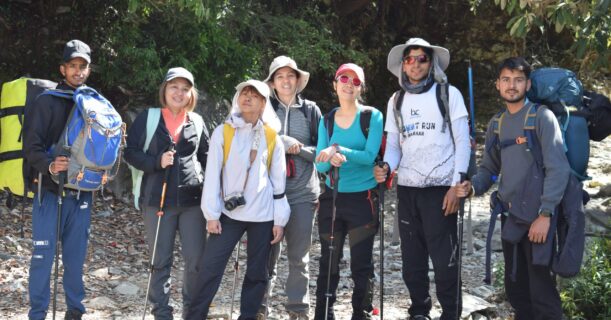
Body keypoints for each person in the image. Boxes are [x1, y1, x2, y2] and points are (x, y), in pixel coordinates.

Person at [456, 57, 570, 320]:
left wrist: (546, 214)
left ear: (528, 84)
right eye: (506, 79)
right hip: (511, 218)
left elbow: (558, 168)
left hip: (539, 219)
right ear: (497, 85)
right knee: (517, 292)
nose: (512, 85)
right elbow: (489, 168)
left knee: (542, 294)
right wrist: (472, 188)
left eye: (518, 80)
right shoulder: (497, 123)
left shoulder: (541, 117)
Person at [373, 38, 471, 320]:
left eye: (421, 59)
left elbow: (462, 143)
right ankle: (419, 310)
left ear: (432, 63)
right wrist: (386, 168)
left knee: (444, 260)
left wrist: (456, 185)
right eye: (409, 59)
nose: (415, 64)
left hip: (441, 189)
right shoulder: (397, 99)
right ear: (403, 65)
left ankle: (450, 313)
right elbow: (393, 146)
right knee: (412, 259)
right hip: (407, 189)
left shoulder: (448, 94)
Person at [189, 79, 290, 319]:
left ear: (263, 102)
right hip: (228, 214)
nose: (247, 97)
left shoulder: (271, 135)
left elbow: (278, 181)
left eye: (254, 95)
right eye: (244, 93)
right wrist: (211, 214)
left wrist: (279, 219)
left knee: (257, 273)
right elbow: (212, 175)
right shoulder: (223, 131)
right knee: (210, 268)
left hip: (263, 215)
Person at [124, 67, 209, 319]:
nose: (179, 93)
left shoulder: (198, 121)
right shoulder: (149, 118)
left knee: (196, 261)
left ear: (191, 93)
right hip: (157, 201)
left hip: (193, 203)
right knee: (160, 260)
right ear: (165, 89)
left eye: (185, 89)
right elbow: (130, 152)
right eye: (174, 87)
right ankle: (162, 312)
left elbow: (206, 158)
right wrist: (155, 162)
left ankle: (192, 312)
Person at [22, 39, 94, 320]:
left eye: (83, 67)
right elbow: (31, 148)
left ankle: (75, 311)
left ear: (89, 70)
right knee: (43, 257)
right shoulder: (46, 102)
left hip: (81, 193)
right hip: (48, 192)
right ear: (62, 68)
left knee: (75, 260)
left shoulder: (94, 105)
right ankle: (37, 313)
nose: (78, 71)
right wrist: (51, 165)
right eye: (73, 66)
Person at [314, 63, 383, 320]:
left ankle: (361, 314)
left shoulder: (371, 116)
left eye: (355, 81)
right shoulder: (327, 119)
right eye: (344, 78)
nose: (348, 84)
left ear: (361, 88)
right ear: (335, 84)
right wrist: (329, 158)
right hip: (332, 198)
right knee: (328, 263)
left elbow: (370, 156)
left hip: (363, 199)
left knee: (361, 265)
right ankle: (323, 314)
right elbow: (320, 163)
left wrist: (339, 150)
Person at [260, 55, 322, 320]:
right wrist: (278, 142)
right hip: (266, 194)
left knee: (299, 257)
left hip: (302, 193)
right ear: (272, 83)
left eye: (290, 76)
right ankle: (260, 307)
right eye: (280, 77)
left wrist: (299, 148)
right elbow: (251, 146)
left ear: (298, 80)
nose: (285, 81)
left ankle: (298, 309)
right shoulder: (263, 109)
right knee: (265, 256)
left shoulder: (310, 110)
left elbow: (323, 150)